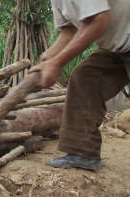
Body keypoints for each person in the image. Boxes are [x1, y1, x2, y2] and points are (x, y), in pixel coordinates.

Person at [29, 0, 130, 171]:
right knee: (86, 78)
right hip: (119, 44)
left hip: (124, 37)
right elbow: (70, 30)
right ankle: (83, 152)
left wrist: (57, 63)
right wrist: (49, 56)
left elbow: (99, 20)